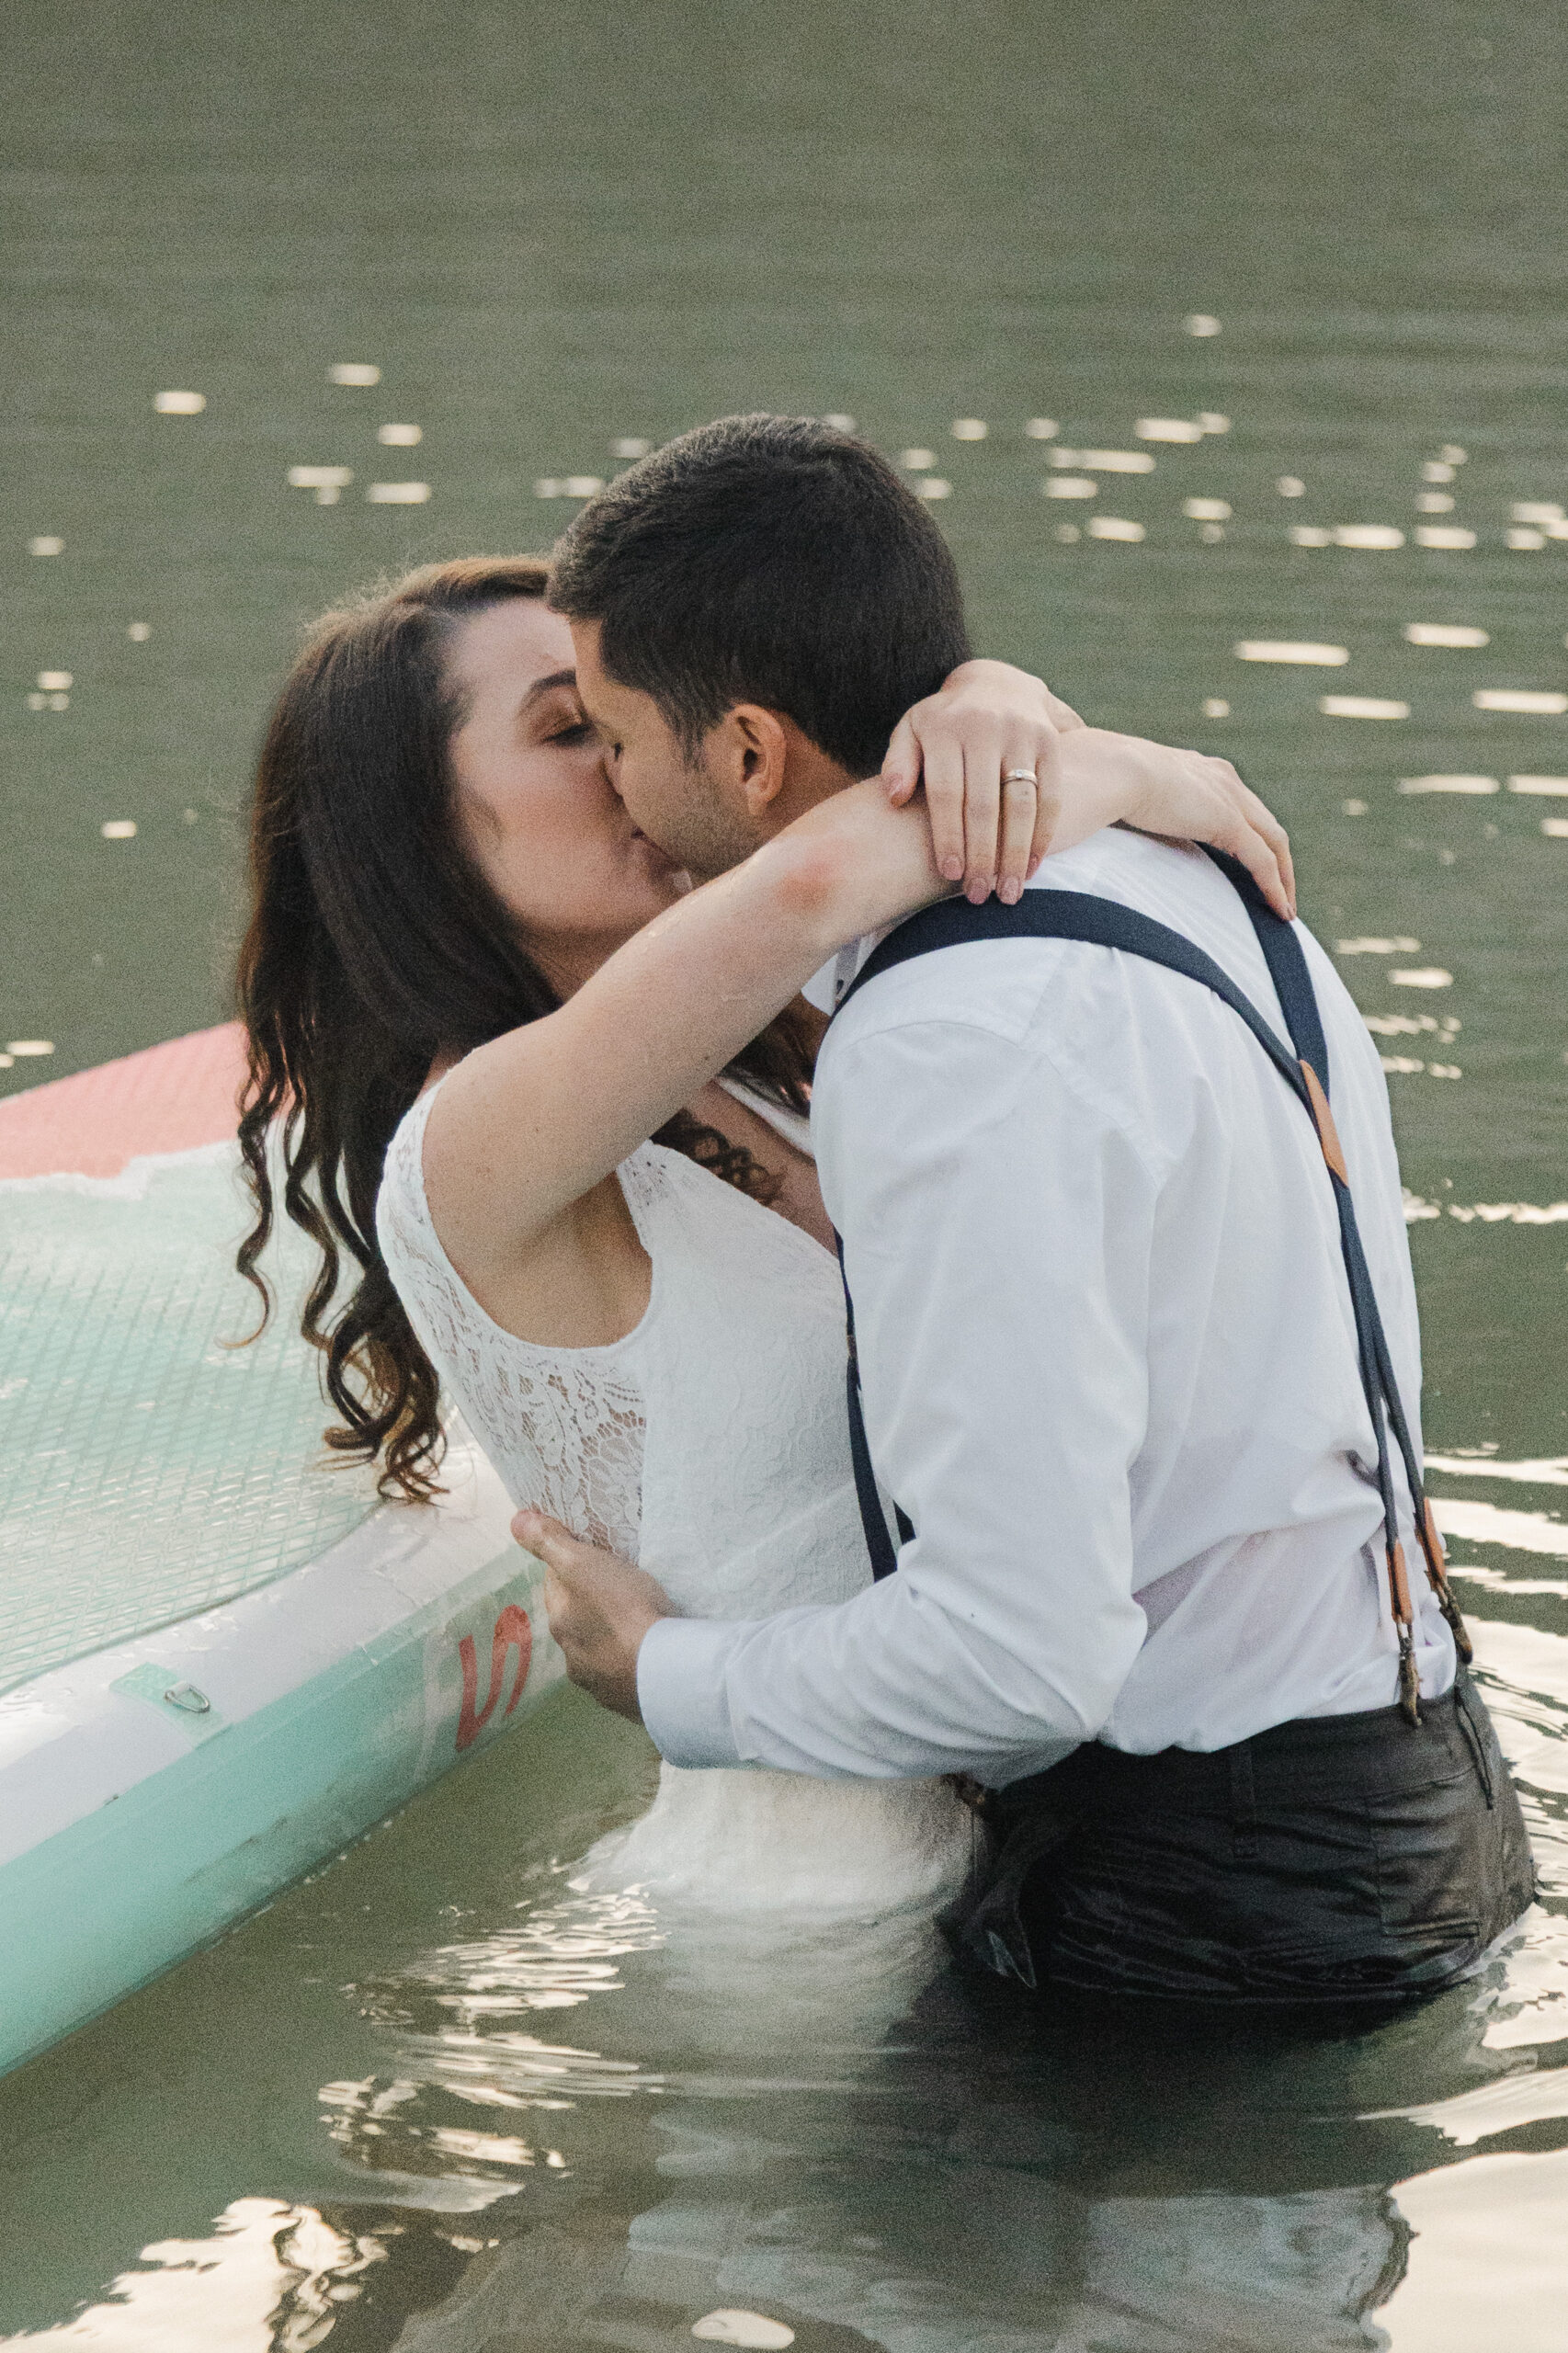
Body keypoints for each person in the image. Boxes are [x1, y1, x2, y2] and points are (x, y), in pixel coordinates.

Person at [519, 413, 1535, 2005]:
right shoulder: (1172, 861)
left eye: (616, 737)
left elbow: (1014, 1660)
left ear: (749, 752)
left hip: (1211, 1905)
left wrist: (663, 1676)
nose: (616, 791)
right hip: (1432, 1791)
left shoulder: (946, 1040)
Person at [235, 549, 1289, 1927]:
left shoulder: (789, 1048)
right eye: (573, 731)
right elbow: (815, 878)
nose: (640, 763)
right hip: (800, 1921)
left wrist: (996, 701)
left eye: (626, 715)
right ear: (415, 833)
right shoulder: (477, 1141)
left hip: (1054, 1859)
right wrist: (1112, 767)